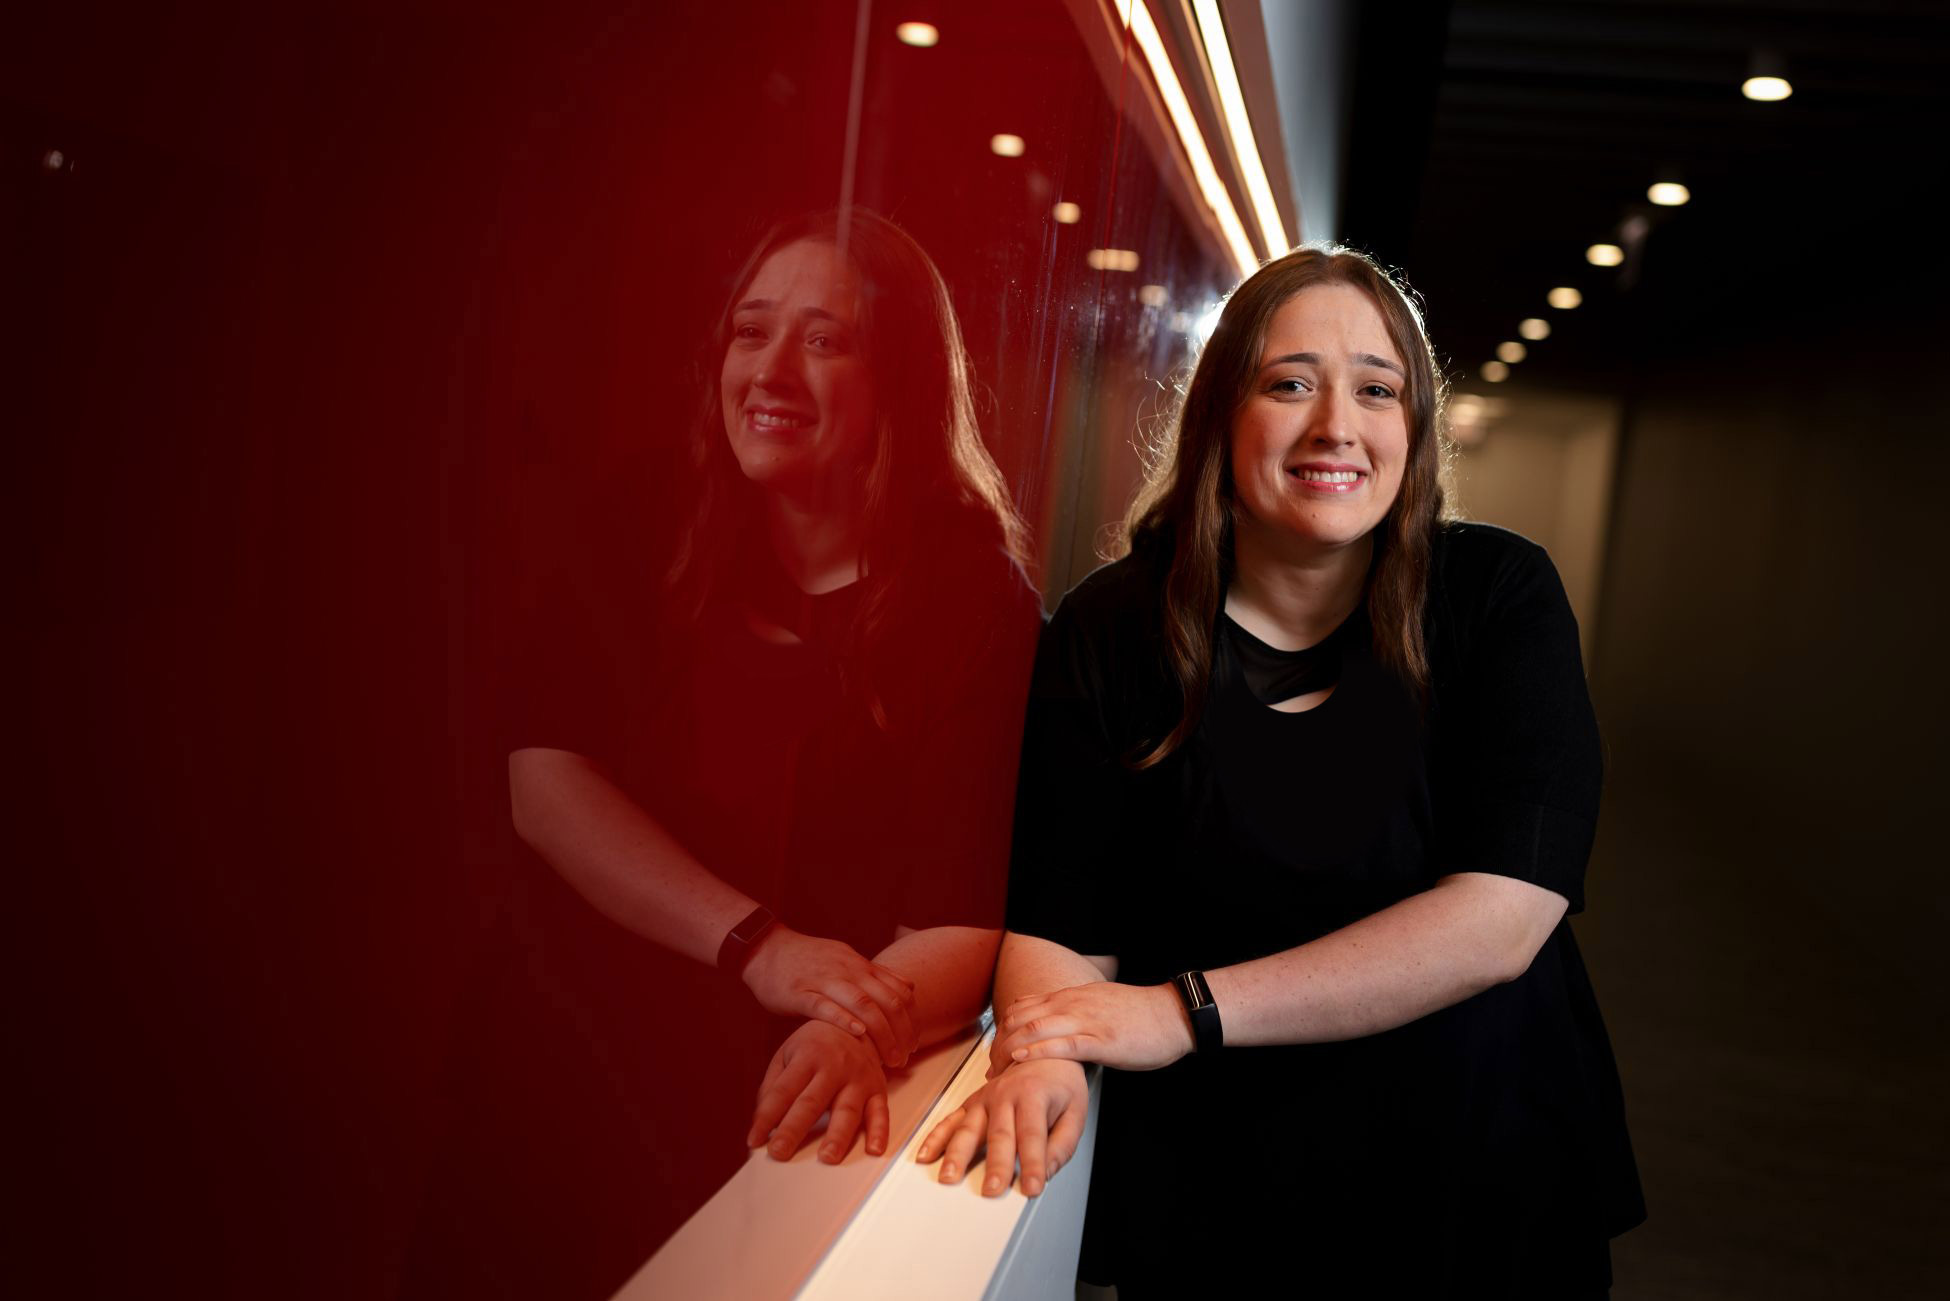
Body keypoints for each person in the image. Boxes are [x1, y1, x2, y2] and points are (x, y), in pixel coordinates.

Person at [917, 245, 1644, 1297]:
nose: (1336, 426)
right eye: (1290, 381)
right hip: (1218, 1180)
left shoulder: (1498, 596)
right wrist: (1040, 1050)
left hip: (1470, 1170)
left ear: (1414, 431)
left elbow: (1503, 915)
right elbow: (1060, 916)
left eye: (1377, 390)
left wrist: (1182, 1009)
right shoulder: (1111, 629)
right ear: (1221, 413)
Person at [409, 208, 1040, 1299]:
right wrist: (761, 945)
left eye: (823, 339)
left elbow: (960, 908)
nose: (772, 369)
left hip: (778, 1096)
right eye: (751, 332)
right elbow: (544, 784)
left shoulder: (979, 605)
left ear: (899, 380)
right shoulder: (643, 519)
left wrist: (852, 1031)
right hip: (567, 1050)